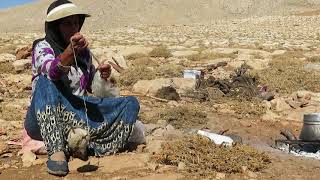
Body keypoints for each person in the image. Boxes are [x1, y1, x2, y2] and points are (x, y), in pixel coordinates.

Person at [24, 0, 140, 176]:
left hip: (77, 116)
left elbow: (91, 88)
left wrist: (101, 76)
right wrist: (70, 53)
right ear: (55, 27)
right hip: (44, 119)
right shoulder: (42, 47)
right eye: (67, 24)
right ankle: (57, 150)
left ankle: (87, 144)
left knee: (130, 103)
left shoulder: (84, 52)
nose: (74, 28)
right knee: (44, 81)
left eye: (76, 23)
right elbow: (52, 72)